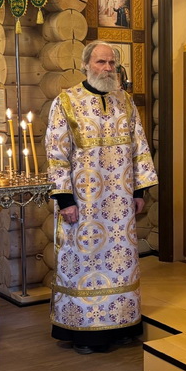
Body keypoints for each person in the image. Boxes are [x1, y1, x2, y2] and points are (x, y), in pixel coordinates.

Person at [46, 41, 157, 354]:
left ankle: (122, 325)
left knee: (121, 264)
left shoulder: (125, 101)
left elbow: (139, 146)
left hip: (120, 203)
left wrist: (139, 191)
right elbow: (56, 152)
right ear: (85, 65)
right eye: (100, 62)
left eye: (111, 63)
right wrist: (65, 199)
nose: (107, 68)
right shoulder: (66, 101)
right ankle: (84, 332)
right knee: (83, 263)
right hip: (84, 203)